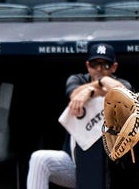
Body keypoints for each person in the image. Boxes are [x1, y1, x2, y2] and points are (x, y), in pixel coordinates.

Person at [26, 43, 133, 189]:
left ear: (114, 67)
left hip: (108, 170)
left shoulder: (122, 83)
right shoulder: (77, 79)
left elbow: (123, 93)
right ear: (88, 65)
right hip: (74, 163)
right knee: (39, 159)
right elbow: (74, 96)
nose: (99, 69)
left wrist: (93, 89)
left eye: (105, 65)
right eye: (95, 64)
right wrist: (93, 88)